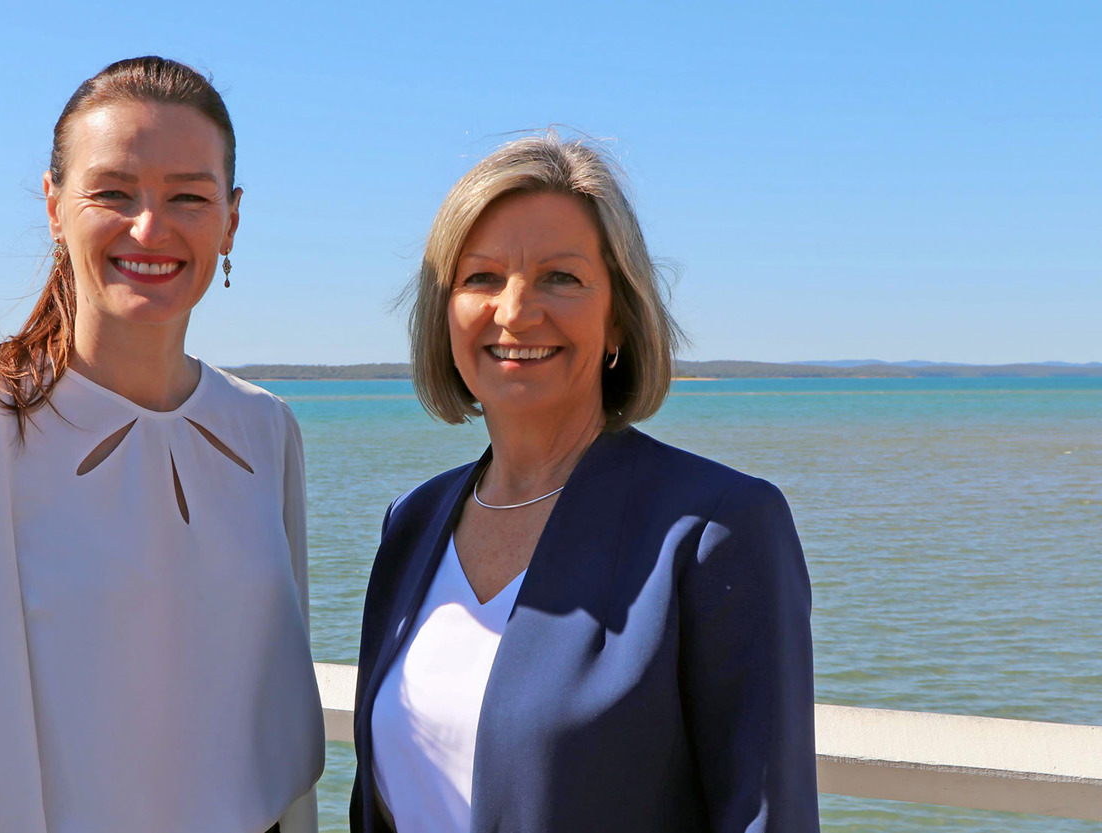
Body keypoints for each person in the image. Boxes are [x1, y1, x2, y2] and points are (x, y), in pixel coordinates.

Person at [0, 57, 323, 833]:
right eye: (113, 192)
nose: (150, 227)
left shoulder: (266, 429)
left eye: (188, 196)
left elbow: (277, 734)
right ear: (53, 205)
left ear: (231, 218)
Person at [349, 134, 818, 832]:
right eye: (481, 277)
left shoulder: (716, 529)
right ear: (444, 311)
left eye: (559, 278)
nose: (515, 311)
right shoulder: (412, 524)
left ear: (620, 315)